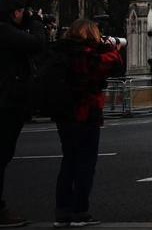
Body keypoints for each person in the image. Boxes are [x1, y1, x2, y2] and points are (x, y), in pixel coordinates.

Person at [51, 19, 125, 228]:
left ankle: (62, 212)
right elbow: (115, 65)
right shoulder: (86, 55)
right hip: (85, 112)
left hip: (63, 114)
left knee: (68, 161)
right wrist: (111, 48)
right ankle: (80, 211)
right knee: (85, 163)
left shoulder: (62, 51)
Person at [0, 0, 47, 228]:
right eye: (22, 11)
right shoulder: (4, 31)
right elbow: (37, 44)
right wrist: (35, 23)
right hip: (6, 102)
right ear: (13, 12)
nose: (24, 15)